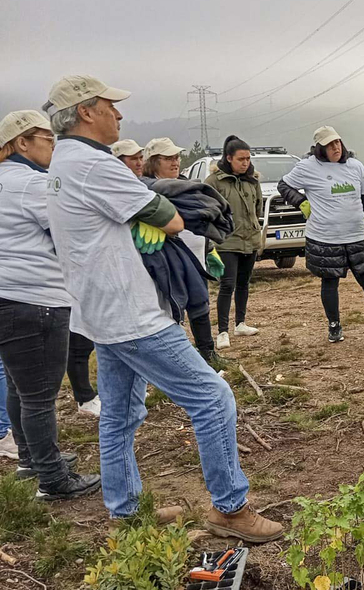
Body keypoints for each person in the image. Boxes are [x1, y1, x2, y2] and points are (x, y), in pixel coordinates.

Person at [45, 74, 282, 539]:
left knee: (120, 414)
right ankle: (230, 508)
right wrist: (160, 216)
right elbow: (171, 219)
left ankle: (124, 513)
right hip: (132, 313)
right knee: (214, 399)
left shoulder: (62, 163)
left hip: (99, 309)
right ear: (86, 112)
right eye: (110, 106)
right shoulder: (97, 166)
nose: (119, 114)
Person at [0, 110, 99, 499]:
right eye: (46, 138)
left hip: (7, 298)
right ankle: (53, 480)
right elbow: (68, 229)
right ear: (21, 143)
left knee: (20, 386)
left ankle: (32, 460)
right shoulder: (30, 183)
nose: (53, 145)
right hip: (36, 299)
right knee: (40, 395)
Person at [277, 126, 364, 343]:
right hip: (325, 237)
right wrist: (301, 201)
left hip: (355, 235)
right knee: (330, 282)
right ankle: (334, 325)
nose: (335, 147)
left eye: (337, 143)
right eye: (329, 145)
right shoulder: (307, 167)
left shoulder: (355, 166)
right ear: (320, 149)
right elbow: (283, 185)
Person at [142, 137, 226, 364]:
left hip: (196, 258)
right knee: (171, 310)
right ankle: (176, 360)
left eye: (176, 157)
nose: (175, 161)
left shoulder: (185, 185)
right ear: (153, 162)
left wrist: (210, 248)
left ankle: (208, 355)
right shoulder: (146, 190)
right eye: (168, 158)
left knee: (200, 305)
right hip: (167, 262)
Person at [204, 135, 262, 349]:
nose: (245, 163)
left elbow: (257, 209)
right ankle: (222, 332)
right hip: (227, 242)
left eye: (248, 158)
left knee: (244, 283)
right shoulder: (213, 182)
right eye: (241, 159)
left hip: (250, 240)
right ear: (228, 158)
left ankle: (240, 323)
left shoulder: (253, 180)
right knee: (227, 285)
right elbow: (208, 211)